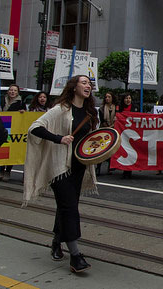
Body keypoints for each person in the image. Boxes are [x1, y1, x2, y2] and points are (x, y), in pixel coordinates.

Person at [23, 75, 99, 273]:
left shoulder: (90, 112)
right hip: (60, 169)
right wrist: (59, 138)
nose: (88, 86)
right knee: (70, 208)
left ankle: (57, 241)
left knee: (65, 207)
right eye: (84, 82)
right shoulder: (61, 109)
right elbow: (34, 128)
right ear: (74, 87)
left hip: (79, 167)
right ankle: (75, 256)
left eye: (89, 84)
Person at [0, 84, 27, 181]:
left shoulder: (21, 103)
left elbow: (24, 116)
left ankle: (8, 171)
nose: (12, 92)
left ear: (17, 92)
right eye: (11, 90)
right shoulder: (1, 100)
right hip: (2, 127)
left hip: (14, 129)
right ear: (8, 91)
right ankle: (1, 170)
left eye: (15, 90)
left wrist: (23, 112)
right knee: (2, 148)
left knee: (11, 150)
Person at [96, 92, 117, 175]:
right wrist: (109, 127)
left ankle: (110, 167)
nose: (107, 98)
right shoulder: (101, 108)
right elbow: (102, 121)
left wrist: (113, 126)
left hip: (114, 129)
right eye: (106, 97)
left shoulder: (116, 107)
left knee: (111, 148)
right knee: (101, 148)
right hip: (104, 129)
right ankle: (98, 167)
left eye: (109, 97)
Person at [117, 93, 138, 179]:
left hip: (132, 133)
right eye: (126, 98)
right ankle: (125, 170)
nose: (128, 100)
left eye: (129, 98)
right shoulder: (119, 108)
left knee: (131, 151)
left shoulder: (135, 107)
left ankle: (129, 171)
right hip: (123, 132)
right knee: (124, 151)